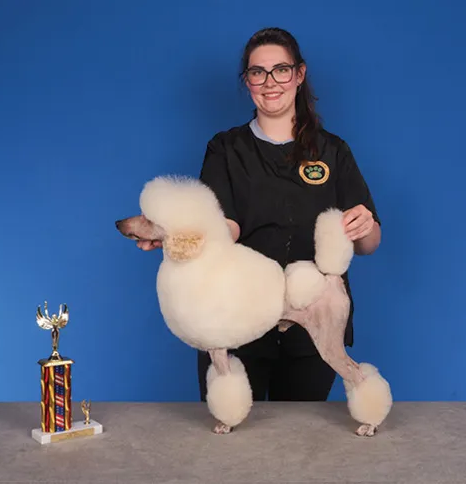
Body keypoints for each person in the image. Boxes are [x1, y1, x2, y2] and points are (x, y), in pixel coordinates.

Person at [136, 27, 381, 402]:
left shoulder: (334, 151)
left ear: (299, 75)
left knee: (303, 444)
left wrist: (364, 225)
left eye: (281, 70)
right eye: (257, 72)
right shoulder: (225, 148)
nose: (270, 83)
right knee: (232, 448)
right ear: (247, 81)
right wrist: (177, 234)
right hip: (235, 315)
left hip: (313, 312)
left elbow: (368, 244)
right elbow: (225, 228)